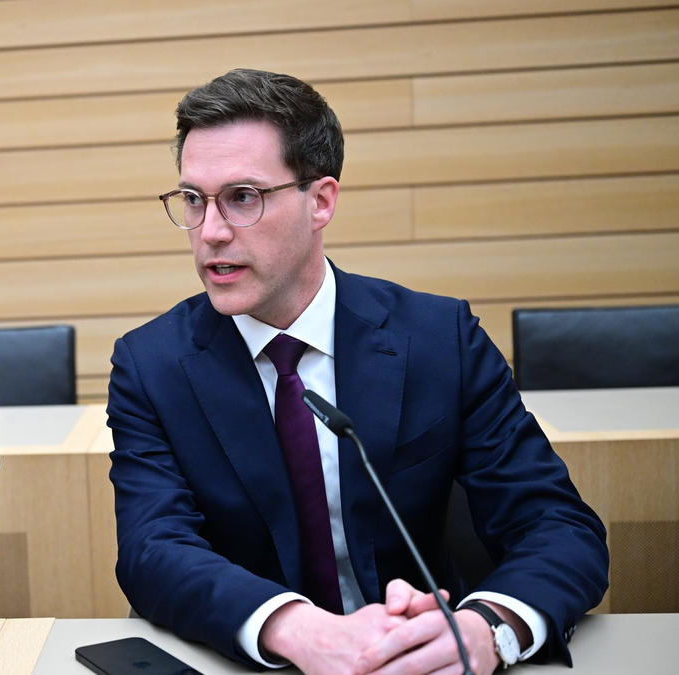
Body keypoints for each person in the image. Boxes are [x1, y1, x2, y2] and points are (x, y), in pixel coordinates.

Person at [106, 69, 608, 675]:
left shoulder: (439, 339)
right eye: (193, 199)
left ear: (320, 201)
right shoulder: (151, 365)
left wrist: (487, 630)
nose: (209, 232)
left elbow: (557, 525)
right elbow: (152, 549)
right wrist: (295, 629)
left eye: (243, 197)